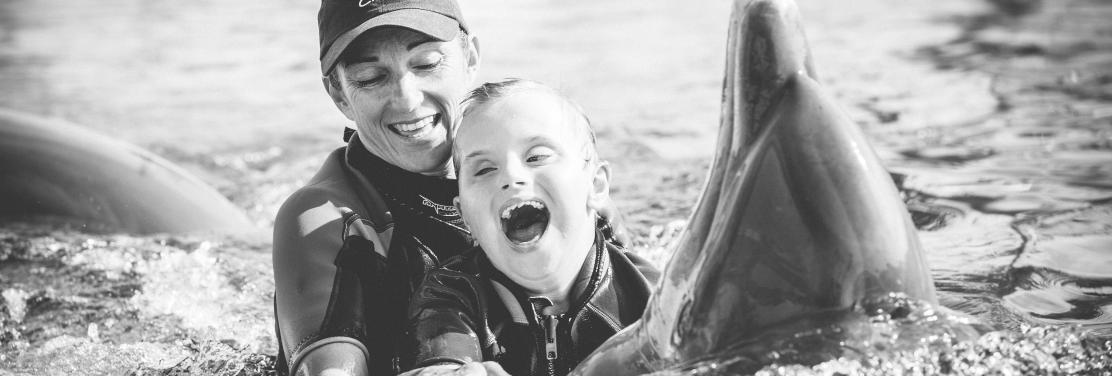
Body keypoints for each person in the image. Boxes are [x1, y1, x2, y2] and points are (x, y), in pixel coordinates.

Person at [272, 2, 626, 376]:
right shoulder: (325, 222)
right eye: (371, 77)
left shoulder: (557, 187)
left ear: (470, 56)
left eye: (426, 64)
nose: (407, 99)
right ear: (339, 94)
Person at [405, 80, 660, 376]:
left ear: (596, 184)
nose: (512, 177)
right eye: (485, 169)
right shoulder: (450, 295)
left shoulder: (651, 295)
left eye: (536, 157)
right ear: (465, 216)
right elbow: (441, 361)